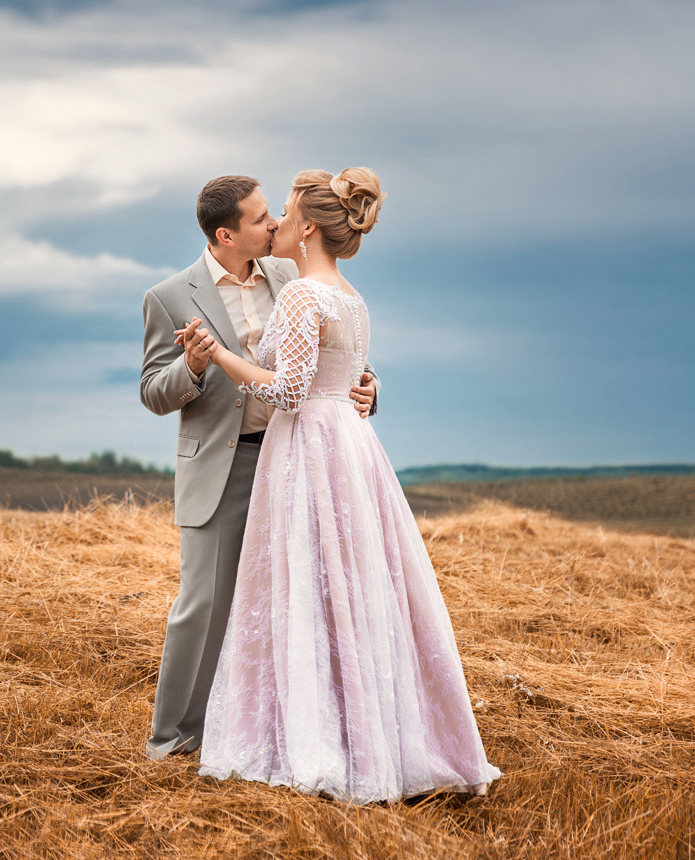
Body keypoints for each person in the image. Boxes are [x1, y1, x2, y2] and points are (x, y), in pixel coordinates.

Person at [194, 167, 501, 803]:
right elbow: (348, 373)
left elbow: (288, 391)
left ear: (308, 227)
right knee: (355, 583)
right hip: (352, 446)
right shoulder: (351, 297)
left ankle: (323, 735)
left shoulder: (303, 296)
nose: (275, 220)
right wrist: (369, 388)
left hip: (309, 446)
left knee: (309, 583)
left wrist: (219, 356)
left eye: (282, 210)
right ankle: (372, 726)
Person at [139, 176, 379, 760]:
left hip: (297, 462)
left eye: (275, 214)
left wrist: (368, 386)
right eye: (260, 218)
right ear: (226, 233)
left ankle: (263, 731)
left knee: (296, 602)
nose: (274, 224)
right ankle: (172, 740)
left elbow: (333, 351)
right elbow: (152, 391)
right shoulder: (169, 296)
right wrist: (193, 368)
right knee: (204, 606)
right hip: (220, 468)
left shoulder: (291, 274)